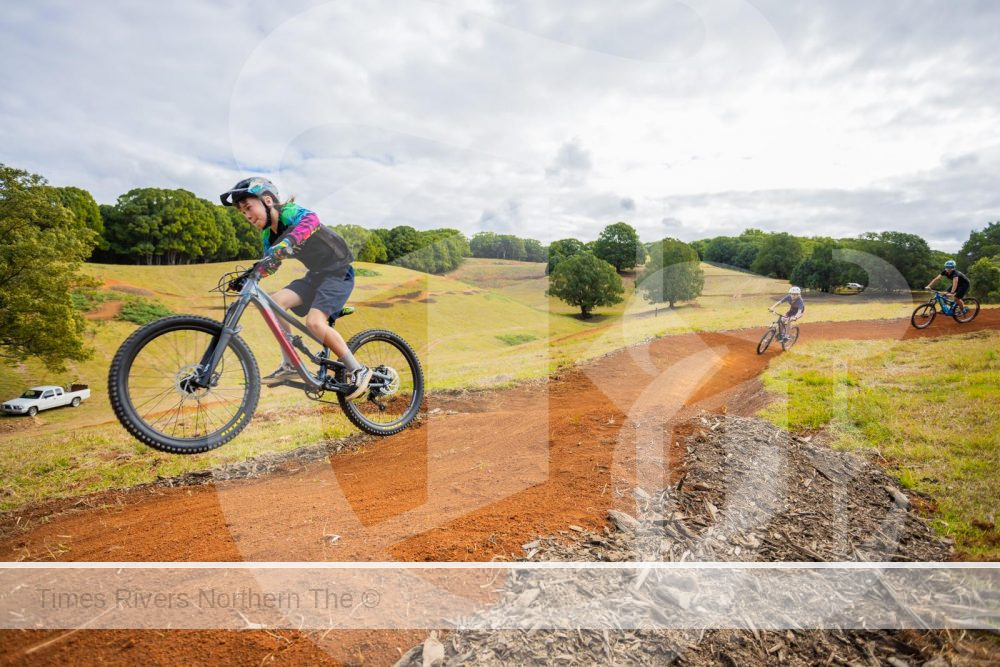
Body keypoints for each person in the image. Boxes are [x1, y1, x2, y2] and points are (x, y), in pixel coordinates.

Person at [220, 177, 370, 399]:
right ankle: (290, 364)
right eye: (242, 213)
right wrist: (248, 277)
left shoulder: (289, 212)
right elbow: (269, 264)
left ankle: (358, 369)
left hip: (338, 273)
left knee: (314, 322)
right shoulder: (267, 235)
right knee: (274, 302)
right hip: (315, 276)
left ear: (268, 200)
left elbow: (311, 220)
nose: (247, 216)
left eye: (249, 208)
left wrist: (288, 241)